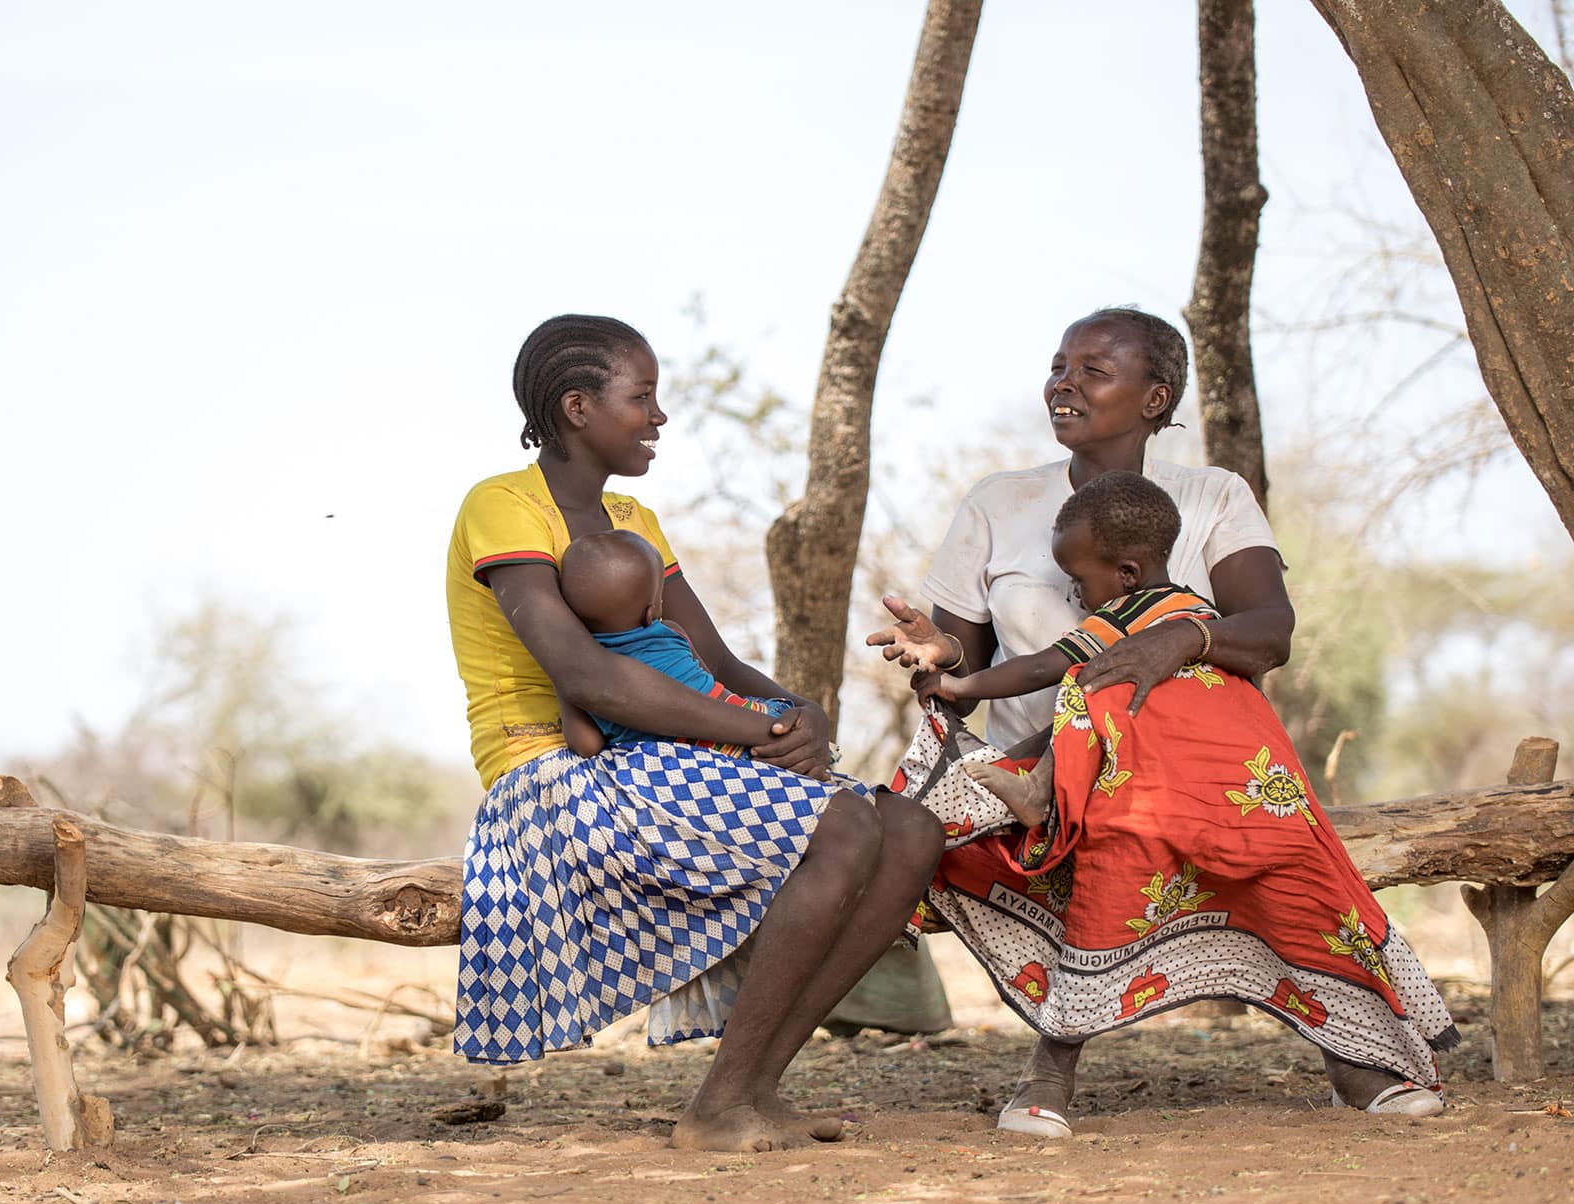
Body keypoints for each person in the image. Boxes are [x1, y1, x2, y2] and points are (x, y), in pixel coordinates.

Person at [868, 306, 1456, 1137]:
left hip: (1189, 771)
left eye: (1091, 370)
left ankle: (1354, 1051)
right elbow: (969, 661)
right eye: (1057, 365)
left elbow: (1270, 631)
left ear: (1155, 397)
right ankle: (1051, 1063)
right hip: (1059, 770)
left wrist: (1175, 640)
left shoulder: (1213, 495)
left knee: (1271, 846)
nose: (1062, 383)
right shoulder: (1001, 503)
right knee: (1063, 820)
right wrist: (938, 656)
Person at [445, 313, 945, 1152]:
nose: (659, 416)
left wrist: (798, 710)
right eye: (642, 397)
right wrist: (755, 731)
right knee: (844, 819)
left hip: (663, 753)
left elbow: (709, 654)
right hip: (555, 767)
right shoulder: (502, 507)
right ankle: (719, 1105)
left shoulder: (634, 519)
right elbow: (589, 677)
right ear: (576, 407)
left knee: (911, 828)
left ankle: (752, 1087)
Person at [920, 470, 1221, 830]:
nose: (1075, 593)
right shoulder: (1197, 607)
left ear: (1128, 573)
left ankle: (1032, 791)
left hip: (1152, 747)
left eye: (1079, 579)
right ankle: (992, 776)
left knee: (1085, 686)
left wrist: (957, 687)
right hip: (1200, 753)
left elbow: (1041, 667)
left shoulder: (1130, 614)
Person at [554, 528, 789, 757]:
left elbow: (587, 745)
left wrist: (561, 684)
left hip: (683, 762)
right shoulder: (672, 632)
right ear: (651, 611)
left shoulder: (585, 672)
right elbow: (711, 686)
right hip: (750, 725)